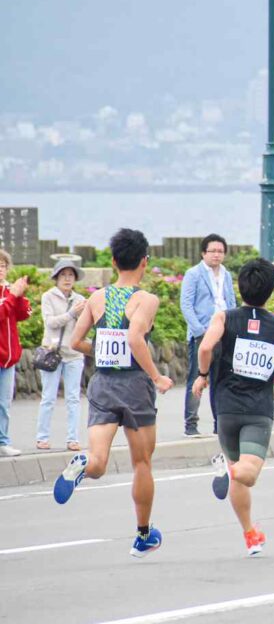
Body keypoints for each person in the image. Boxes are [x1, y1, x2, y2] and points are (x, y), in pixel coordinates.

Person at [54, 228, 174, 558]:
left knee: (98, 460)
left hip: (103, 383)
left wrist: (106, 349)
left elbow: (75, 343)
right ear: (144, 262)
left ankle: (82, 463)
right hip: (135, 386)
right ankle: (143, 534)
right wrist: (158, 377)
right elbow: (136, 339)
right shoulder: (145, 300)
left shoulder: (97, 298)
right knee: (142, 463)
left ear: (113, 261)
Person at [192, 258, 274, 555]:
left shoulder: (224, 317)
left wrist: (203, 376)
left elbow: (205, 348)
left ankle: (250, 533)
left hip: (225, 407)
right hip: (257, 410)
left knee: (240, 470)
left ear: (240, 286)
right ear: (270, 290)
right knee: (248, 473)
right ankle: (224, 471)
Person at [180, 233, 237, 437]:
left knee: (220, 380)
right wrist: (200, 331)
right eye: (212, 251)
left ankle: (218, 423)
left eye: (220, 251)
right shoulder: (193, 274)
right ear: (204, 252)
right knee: (197, 378)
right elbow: (186, 305)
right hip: (202, 333)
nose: (216, 255)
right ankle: (191, 424)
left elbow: (231, 303)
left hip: (223, 333)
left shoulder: (226, 275)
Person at [36, 259, 87, 451]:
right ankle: (42, 438)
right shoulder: (48, 297)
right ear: (56, 278)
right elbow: (50, 322)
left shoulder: (80, 300)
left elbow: (84, 327)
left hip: (74, 355)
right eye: (63, 275)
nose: (67, 279)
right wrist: (72, 313)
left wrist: (82, 314)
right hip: (52, 354)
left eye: (71, 275)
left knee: (73, 398)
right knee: (48, 397)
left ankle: (73, 439)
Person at [0, 249, 31, 457]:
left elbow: (23, 314)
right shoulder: (8, 294)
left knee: (4, 403)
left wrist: (18, 295)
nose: (1, 270)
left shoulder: (9, 291)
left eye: (3, 266)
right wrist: (12, 296)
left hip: (9, 359)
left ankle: (3, 441)